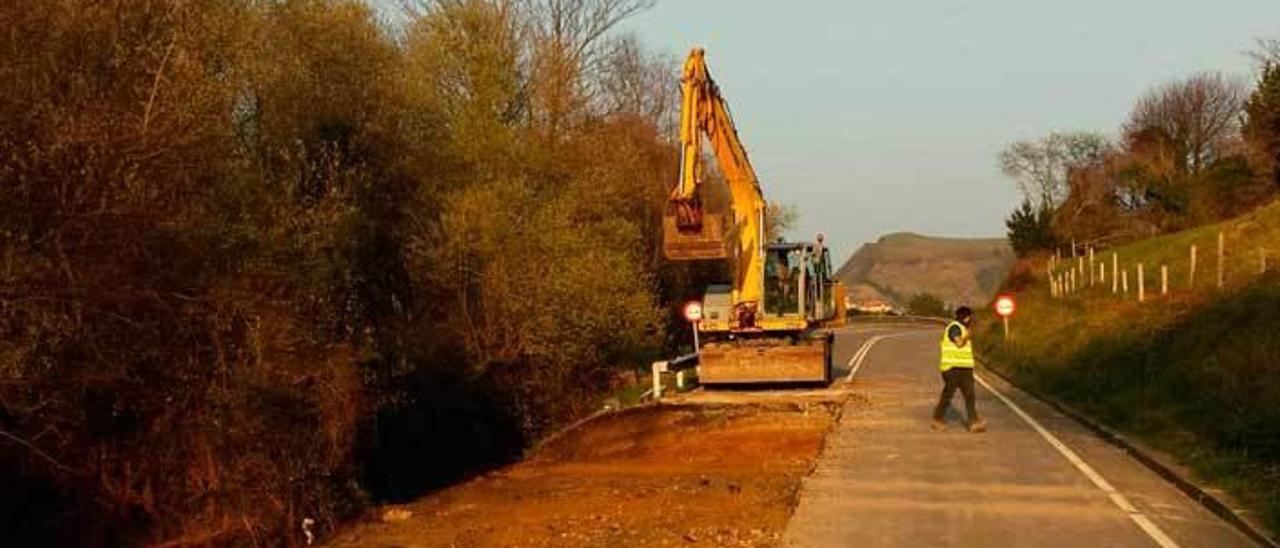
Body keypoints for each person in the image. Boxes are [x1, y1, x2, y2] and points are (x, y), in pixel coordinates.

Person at [933, 306, 986, 432]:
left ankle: (973, 422)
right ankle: (938, 418)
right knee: (948, 394)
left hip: (965, 368)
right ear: (965, 317)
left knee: (970, 395)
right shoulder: (955, 327)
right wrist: (968, 335)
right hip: (952, 368)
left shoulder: (962, 328)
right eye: (969, 317)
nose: (970, 320)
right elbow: (959, 343)